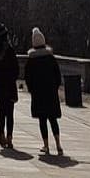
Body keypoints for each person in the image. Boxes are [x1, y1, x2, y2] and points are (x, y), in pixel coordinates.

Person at [24, 27, 63, 155]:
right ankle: (58, 144)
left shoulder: (31, 60)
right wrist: (55, 87)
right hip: (51, 93)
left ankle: (46, 145)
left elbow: (27, 77)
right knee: (53, 119)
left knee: (42, 120)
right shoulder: (50, 58)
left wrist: (31, 90)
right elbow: (58, 76)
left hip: (38, 94)